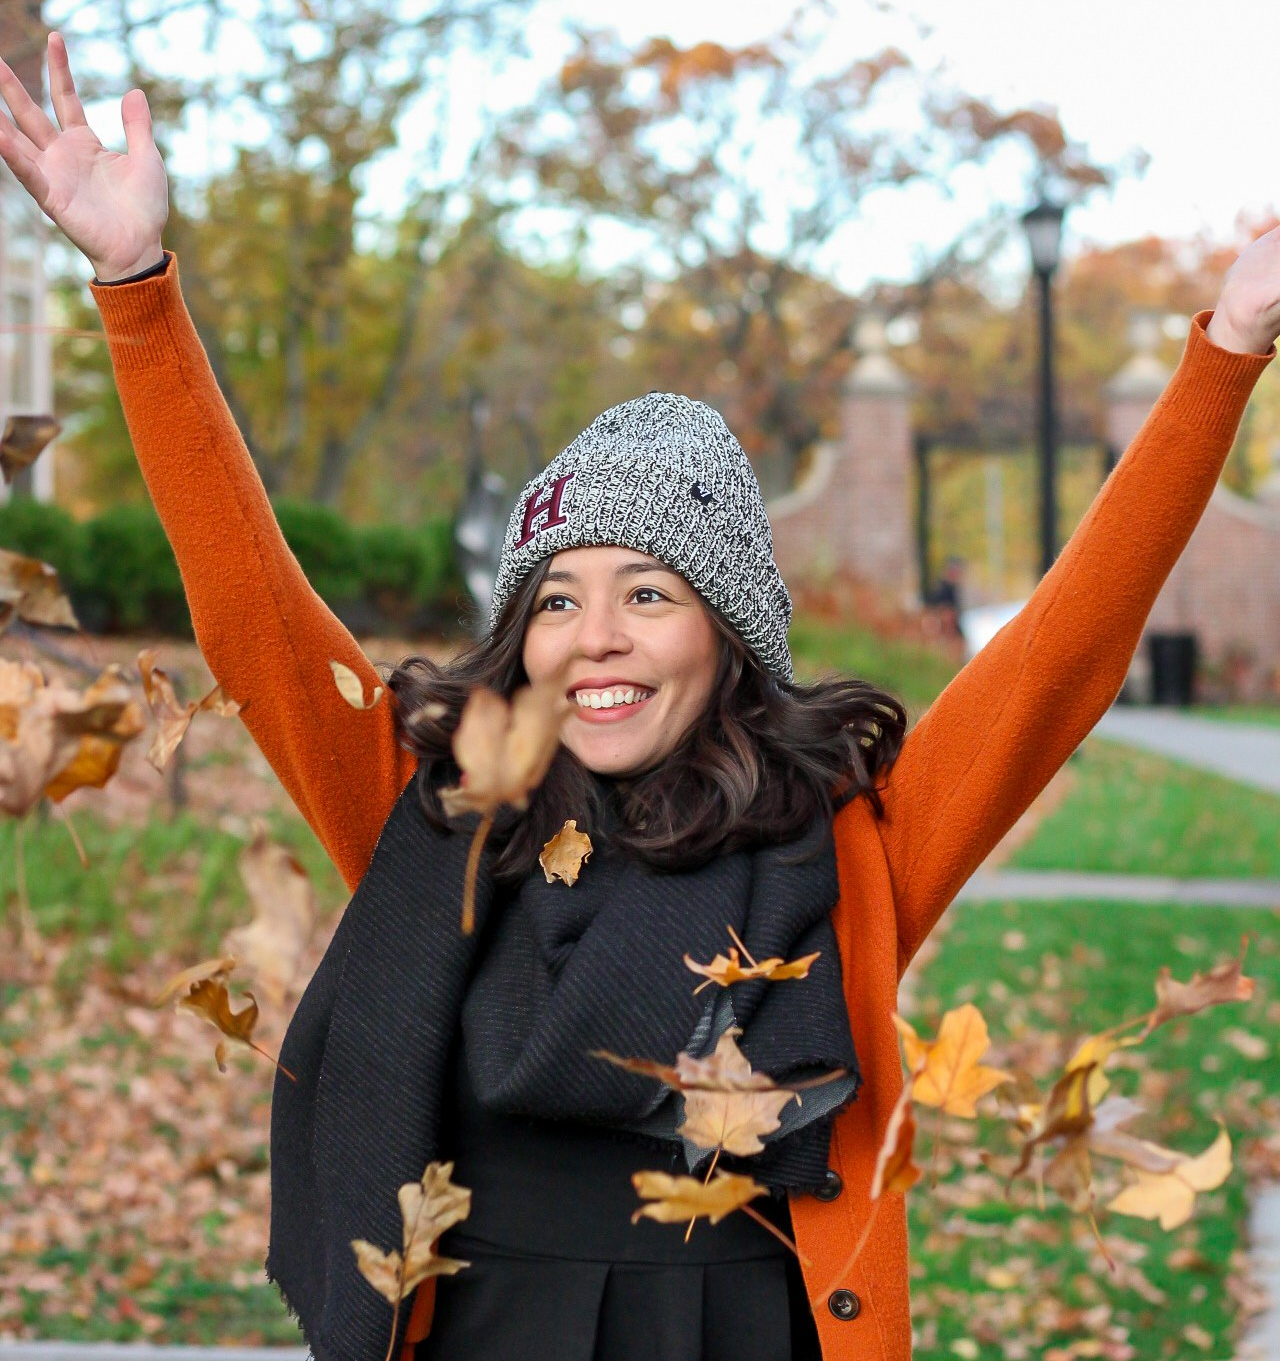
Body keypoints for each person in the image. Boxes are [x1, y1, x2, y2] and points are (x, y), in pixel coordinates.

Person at [2, 33, 1277, 1361]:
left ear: (729, 636)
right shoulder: (435, 805)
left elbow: (1054, 669)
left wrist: (1225, 352)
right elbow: (255, 620)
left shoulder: (844, 842)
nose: (592, 640)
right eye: (556, 598)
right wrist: (135, 285)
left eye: (649, 595)